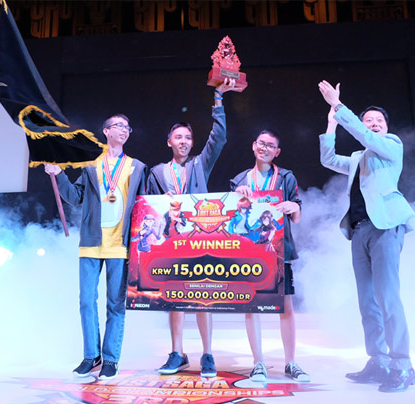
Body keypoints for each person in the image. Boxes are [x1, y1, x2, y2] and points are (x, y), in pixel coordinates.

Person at [317, 80, 415, 393]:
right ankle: (379, 361)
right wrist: (332, 124)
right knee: (368, 301)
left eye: (379, 120)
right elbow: (328, 159)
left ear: (386, 127)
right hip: (359, 230)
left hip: (385, 227)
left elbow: (367, 138)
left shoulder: (391, 146)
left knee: (388, 297)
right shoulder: (358, 158)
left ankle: (403, 366)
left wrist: (338, 105)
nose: (374, 124)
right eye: (368, 120)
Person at [147, 78, 240, 378]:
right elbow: (148, 208)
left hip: (201, 241)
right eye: (179, 137)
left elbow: (219, 138)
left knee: (204, 296)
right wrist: (162, 203)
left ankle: (208, 354)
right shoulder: (157, 173)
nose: (184, 141)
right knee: (174, 298)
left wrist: (218, 100)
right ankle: (177, 353)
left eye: (188, 137)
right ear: (169, 142)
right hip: (171, 243)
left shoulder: (200, 165)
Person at [45, 113, 147, 381]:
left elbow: (145, 204)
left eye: (127, 127)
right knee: (86, 302)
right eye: (119, 126)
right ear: (106, 131)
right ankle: (91, 356)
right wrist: (59, 174)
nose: (124, 130)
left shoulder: (137, 167)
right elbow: (75, 197)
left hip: (120, 246)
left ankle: (111, 359)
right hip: (91, 243)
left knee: (115, 304)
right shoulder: (91, 165)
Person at [231, 130, 310, 383]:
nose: (264, 148)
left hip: (279, 251)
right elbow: (231, 217)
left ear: (277, 152)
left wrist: (293, 206)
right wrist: (237, 198)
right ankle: (258, 363)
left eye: (270, 146)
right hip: (249, 253)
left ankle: (291, 362)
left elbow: (296, 216)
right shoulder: (239, 179)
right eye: (261, 143)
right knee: (251, 307)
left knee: (286, 308)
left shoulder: (285, 177)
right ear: (254, 146)